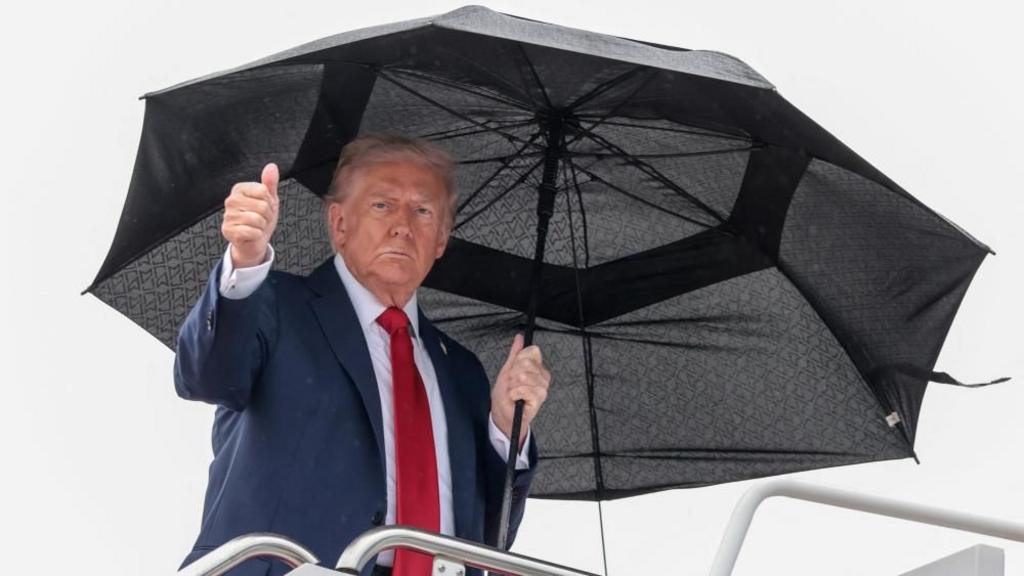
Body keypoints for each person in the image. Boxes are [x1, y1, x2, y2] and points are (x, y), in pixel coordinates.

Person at [174, 134, 551, 576]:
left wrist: (508, 428)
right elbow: (207, 376)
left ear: (442, 240)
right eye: (382, 205)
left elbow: (490, 539)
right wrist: (245, 258)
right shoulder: (273, 305)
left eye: (423, 210)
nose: (403, 226)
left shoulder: (462, 371)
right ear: (339, 224)